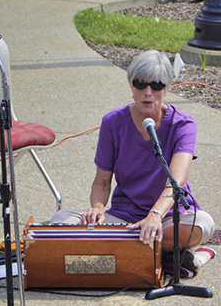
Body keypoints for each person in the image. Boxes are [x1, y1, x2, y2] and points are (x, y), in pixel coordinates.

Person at [51, 50, 216, 278]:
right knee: (60, 221)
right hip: (123, 218)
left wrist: (155, 215)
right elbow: (101, 181)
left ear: (167, 87)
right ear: (131, 85)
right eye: (140, 84)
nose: (148, 92)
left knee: (203, 223)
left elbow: (175, 181)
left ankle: (129, 250)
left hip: (167, 216)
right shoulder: (113, 122)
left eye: (156, 85)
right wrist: (97, 209)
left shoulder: (183, 124)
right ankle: (165, 253)